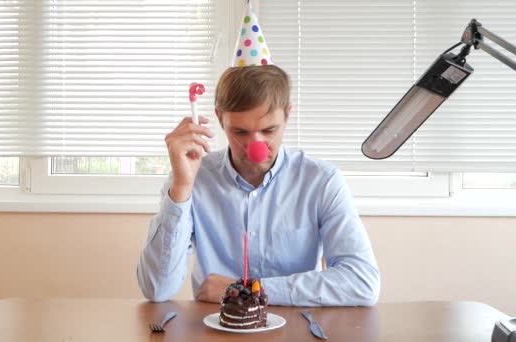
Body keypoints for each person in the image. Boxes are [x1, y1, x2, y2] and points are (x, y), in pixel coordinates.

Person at [136, 64, 380, 306]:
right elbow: (157, 289)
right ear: (220, 118)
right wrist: (180, 188)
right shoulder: (193, 177)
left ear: (287, 115)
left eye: (269, 130)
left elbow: (362, 282)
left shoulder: (322, 181)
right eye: (240, 132)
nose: (256, 147)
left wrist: (245, 290)